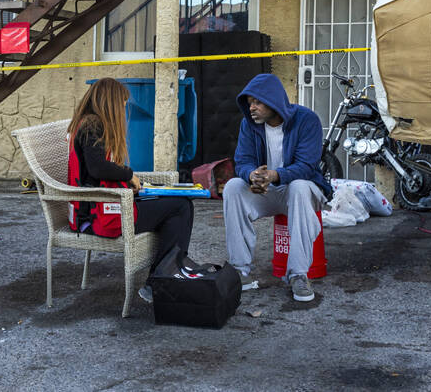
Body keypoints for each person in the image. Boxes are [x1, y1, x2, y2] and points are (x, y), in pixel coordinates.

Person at [67, 78, 198, 304]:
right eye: (123, 103)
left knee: (175, 207)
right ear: (111, 103)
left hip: (102, 206)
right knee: (181, 207)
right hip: (99, 215)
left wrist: (129, 182)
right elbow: (98, 168)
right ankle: (161, 280)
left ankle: (164, 275)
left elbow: (93, 172)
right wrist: (129, 175)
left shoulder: (86, 122)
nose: (125, 108)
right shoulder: (93, 126)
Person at [223, 72, 332, 302]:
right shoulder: (249, 125)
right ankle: (239, 271)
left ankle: (298, 274)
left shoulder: (307, 120)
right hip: (268, 192)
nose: (252, 108)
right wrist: (253, 176)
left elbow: (306, 166)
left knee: (300, 186)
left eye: (257, 102)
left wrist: (274, 175)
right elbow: (242, 161)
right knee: (233, 186)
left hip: (302, 191)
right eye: (250, 102)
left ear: (273, 100)